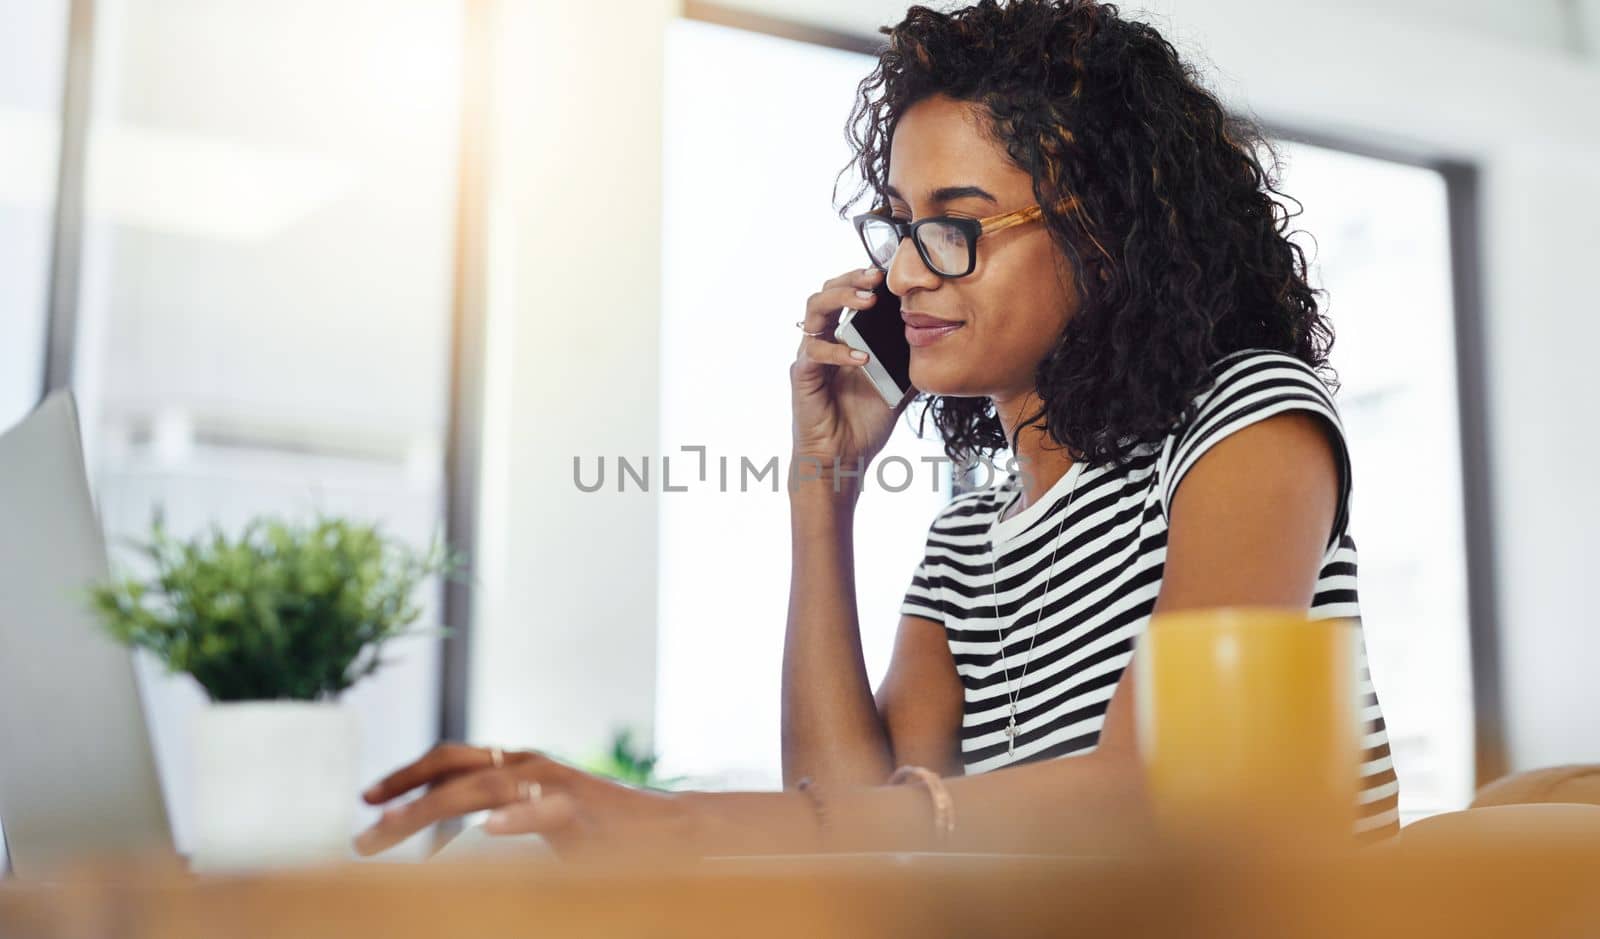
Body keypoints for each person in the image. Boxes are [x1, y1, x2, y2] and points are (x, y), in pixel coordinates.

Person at [354, 0, 1399, 860]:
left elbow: (1159, 791)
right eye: (897, 224)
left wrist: (685, 823)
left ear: (1105, 233)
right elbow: (852, 822)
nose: (903, 272)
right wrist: (826, 495)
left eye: (953, 225)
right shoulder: (969, 538)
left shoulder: (1244, 422)